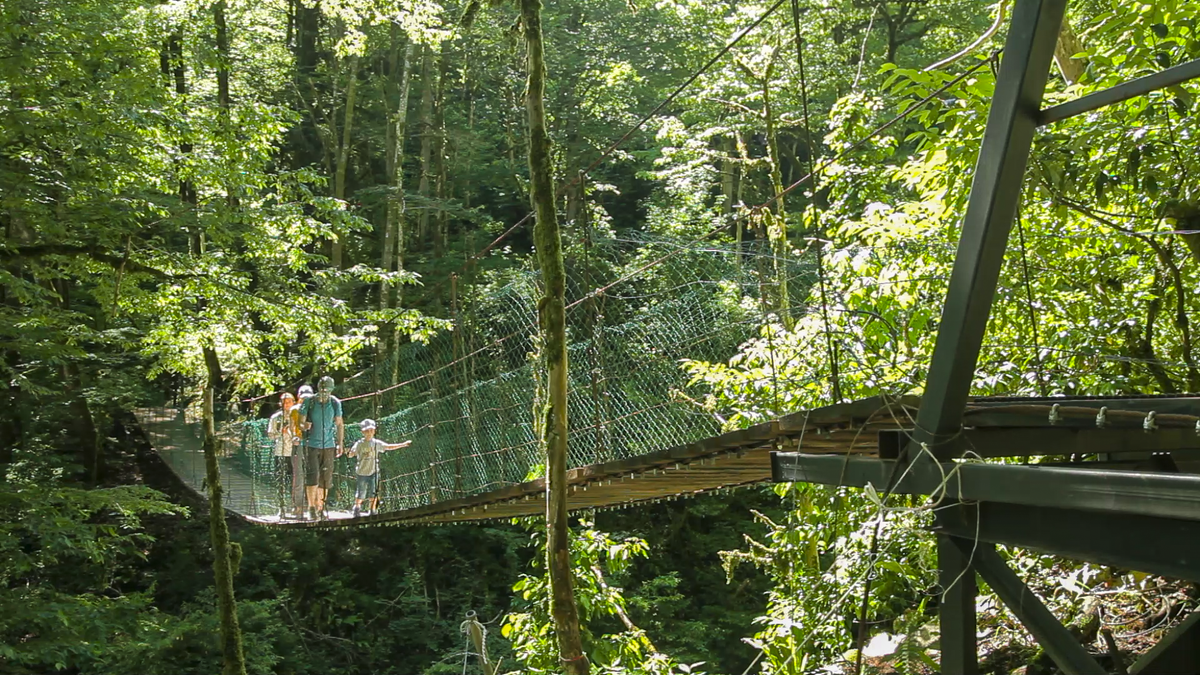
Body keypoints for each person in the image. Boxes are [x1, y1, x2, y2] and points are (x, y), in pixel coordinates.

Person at [298, 376, 343, 520]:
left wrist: (340, 443)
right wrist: (304, 426)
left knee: (325, 479)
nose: (325, 393)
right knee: (313, 476)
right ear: (318, 389)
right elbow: (300, 423)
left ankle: (320, 507)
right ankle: (311, 507)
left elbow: (339, 424)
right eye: (323, 390)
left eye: (328, 391)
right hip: (311, 445)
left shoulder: (335, 403)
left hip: (329, 445)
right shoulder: (309, 401)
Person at [348, 419, 410, 516]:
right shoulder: (359, 443)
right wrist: (350, 452)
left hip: (373, 471)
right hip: (362, 472)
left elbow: (388, 446)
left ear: (374, 431)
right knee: (361, 492)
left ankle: (372, 510)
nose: (369, 433)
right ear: (363, 432)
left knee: (374, 492)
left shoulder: (376, 443)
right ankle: (357, 507)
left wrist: (402, 444)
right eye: (367, 431)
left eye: (371, 430)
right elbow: (351, 453)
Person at [266, 392, 302, 518]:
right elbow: (270, 435)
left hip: (295, 451)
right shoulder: (276, 417)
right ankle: (281, 507)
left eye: (288, 402)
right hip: (280, 452)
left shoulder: (298, 414)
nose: (286, 405)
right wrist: (280, 433)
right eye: (284, 402)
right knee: (280, 480)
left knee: (296, 480)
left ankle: (296, 507)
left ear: (294, 402)